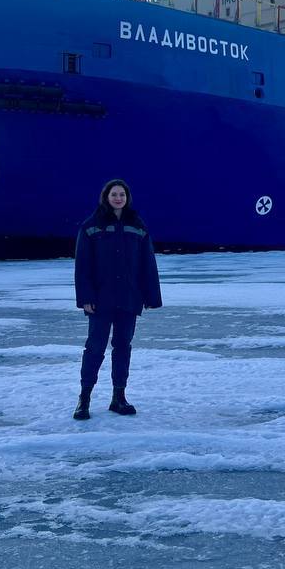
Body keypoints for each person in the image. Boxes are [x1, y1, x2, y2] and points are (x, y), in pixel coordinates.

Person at [72, 179, 162, 420]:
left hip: (129, 298)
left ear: (127, 197)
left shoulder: (137, 226)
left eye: (122, 194)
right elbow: (83, 266)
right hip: (100, 300)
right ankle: (84, 399)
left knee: (123, 347)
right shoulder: (91, 226)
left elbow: (147, 263)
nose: (118, 198)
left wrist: (151, 296)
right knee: (95, 348)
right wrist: (86, 298)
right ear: (106, 197)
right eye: (114, 194)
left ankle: (118, 397)